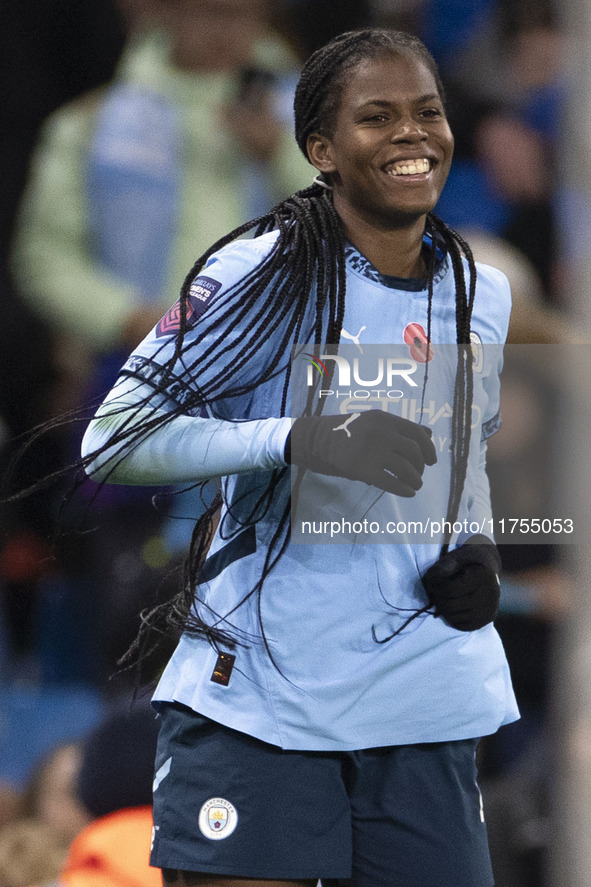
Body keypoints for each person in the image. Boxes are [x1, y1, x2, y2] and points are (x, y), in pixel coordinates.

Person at [81, 28, 519, 887]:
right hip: (263, 699)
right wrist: (295, 437)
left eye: (426, 111)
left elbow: (461, 461)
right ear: (320, 148)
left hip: (421, 699)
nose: (411, 134)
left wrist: (479, 549)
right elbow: (116, 436)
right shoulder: (260, 273)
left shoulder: (481, 291)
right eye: (376, 116)